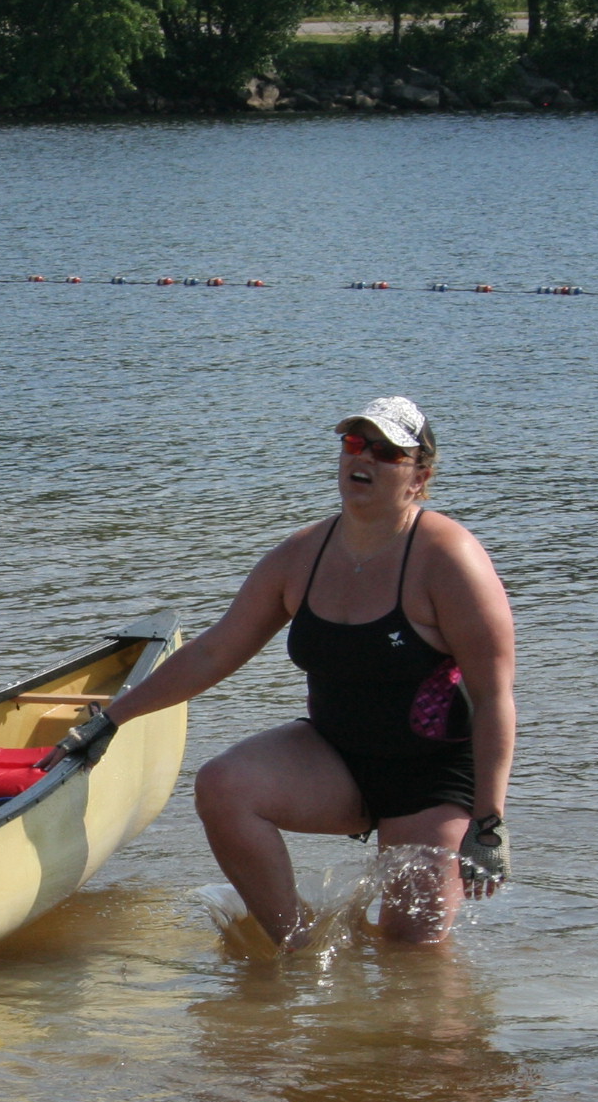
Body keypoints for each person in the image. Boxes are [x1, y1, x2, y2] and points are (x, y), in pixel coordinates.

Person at [75, 397, 516, 946]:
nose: (366, 459)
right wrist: (112, 719)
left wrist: (488, 824)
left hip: (430, 778)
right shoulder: (301, 556)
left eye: (386, 451)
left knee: (413, 955)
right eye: (355, 444)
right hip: (334, 759)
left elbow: (495, 696)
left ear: (419, 477)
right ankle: (298, 943)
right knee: (223, 786)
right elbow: (215, 652)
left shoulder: (450, 560)